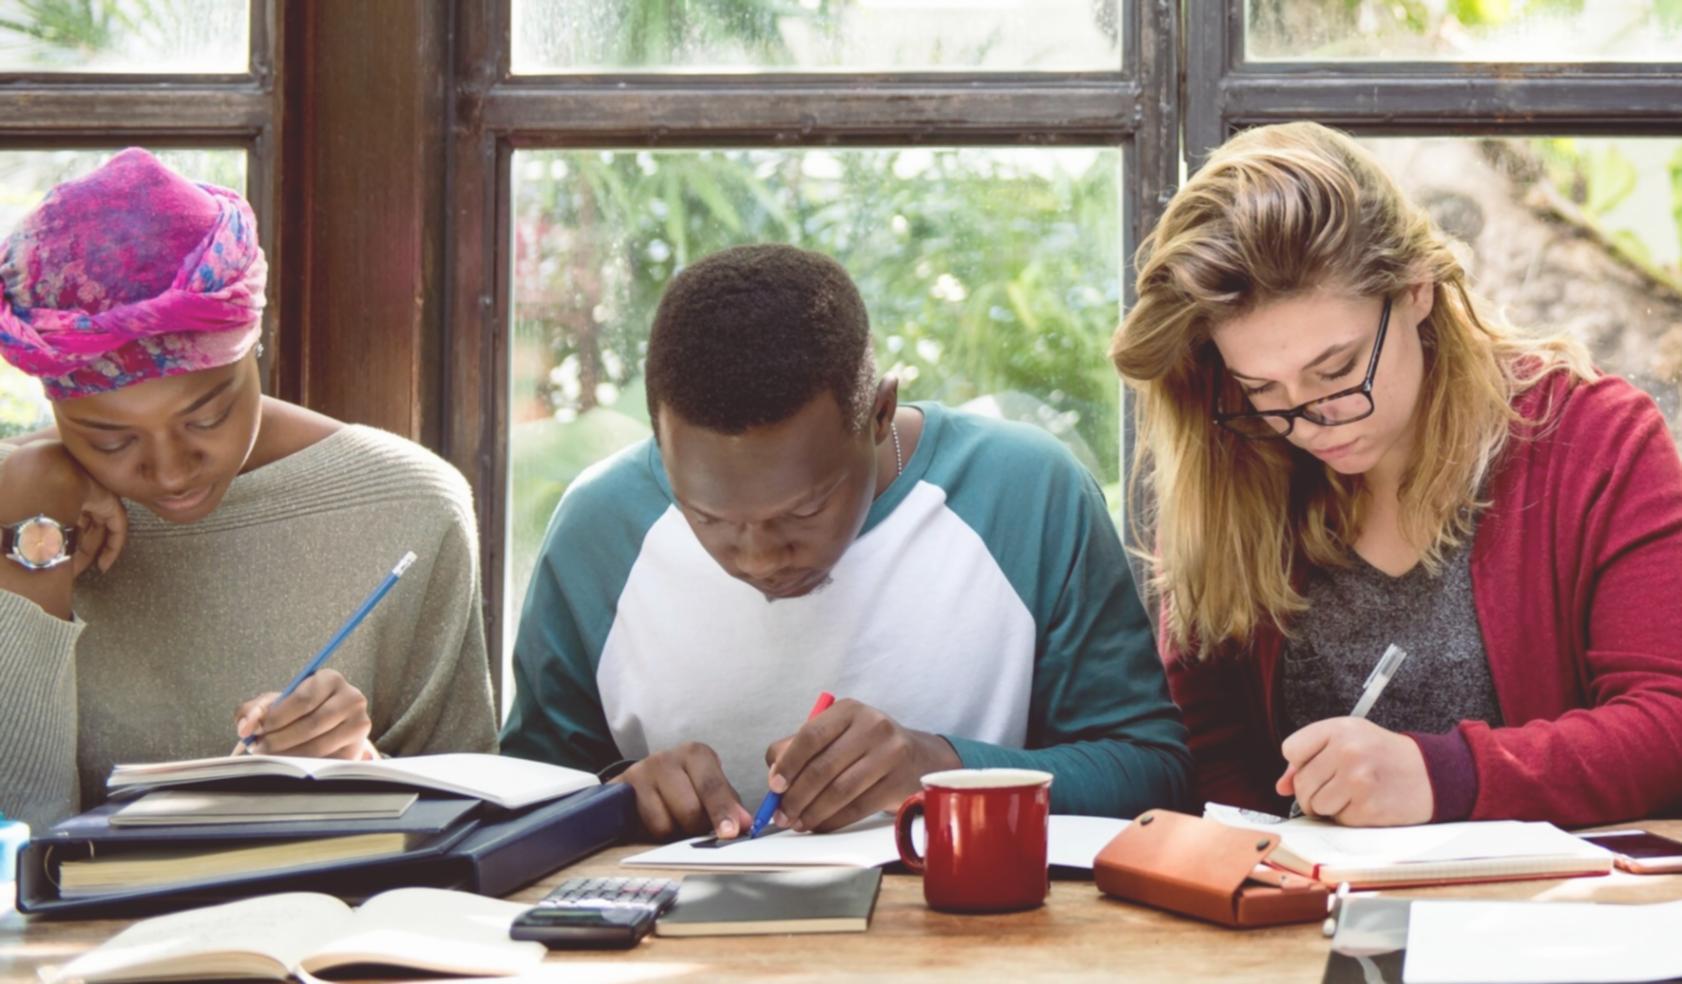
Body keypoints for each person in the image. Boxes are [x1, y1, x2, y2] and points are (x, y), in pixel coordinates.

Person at [502, 243, 1189, 840]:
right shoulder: (599, 528)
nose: (760, 558)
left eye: (803, 511)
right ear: (658, 438)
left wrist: (941, 767)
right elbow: (519, 801)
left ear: (879, 412)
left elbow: (1154, 773)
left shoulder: (1025, 493)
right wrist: (618, 795)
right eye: (707, 518)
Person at [1110, 121, 1682, 828]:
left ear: (1418, 289)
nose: (1313, 420)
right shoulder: (1234, 451)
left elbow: (1669, 726)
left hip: (1547, 920)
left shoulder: (1594, 440)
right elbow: (1208, 749)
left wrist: (1445, 776)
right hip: (1290, 916)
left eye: (1338, 369)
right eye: (1264, 388)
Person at [0, 149, 497, 832]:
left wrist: (357, 765)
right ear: (56, 410)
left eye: (206, 417)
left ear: (251, 348)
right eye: (111, 442)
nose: (172, 471)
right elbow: (16, 829)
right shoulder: (22, 505)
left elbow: (479, 823)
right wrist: (29, 534)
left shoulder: (408, 505)